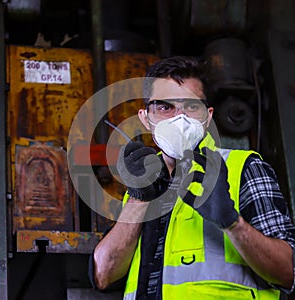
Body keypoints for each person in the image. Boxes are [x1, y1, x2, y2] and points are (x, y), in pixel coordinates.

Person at [89, 56, 295, 299]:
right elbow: (103, 274)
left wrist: (232, 223)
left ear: (207, 117)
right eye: (165, 107)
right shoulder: (142, 184)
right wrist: (138, 198)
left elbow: (288, 272)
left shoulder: (243, 167)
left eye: (191, 107)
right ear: (145, 118)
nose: (179, 118)